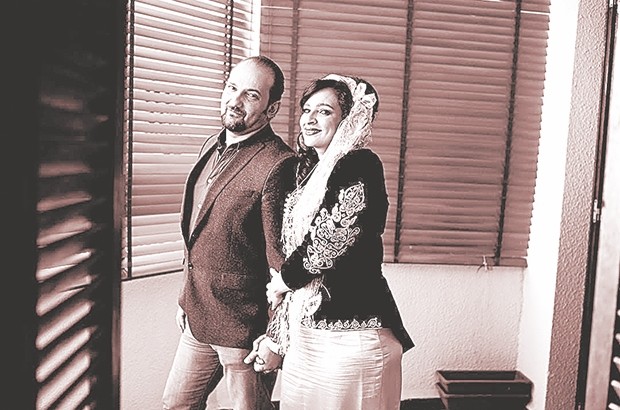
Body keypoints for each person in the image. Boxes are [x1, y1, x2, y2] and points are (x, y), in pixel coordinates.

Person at [244, 75, 415, 409]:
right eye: (307, 109)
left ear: (348, 118)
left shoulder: (360, 163)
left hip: (351, 338)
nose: (309, 119)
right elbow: (299, 263)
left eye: (323, 111)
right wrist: (277, 338)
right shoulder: (308, 174)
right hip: (307, 337)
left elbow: (330, 238)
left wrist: (283, 281)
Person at [162, 55, 296, 410]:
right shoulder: (211, 144)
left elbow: (280, 260)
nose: (235, 100)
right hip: (198, 313)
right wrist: (185, 296)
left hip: (245, 326)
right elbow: (199, 232)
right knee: (176, 404)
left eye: (251, 94)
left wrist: (275, 334)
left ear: (271, 108)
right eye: (232, 87)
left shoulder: (279, 164)